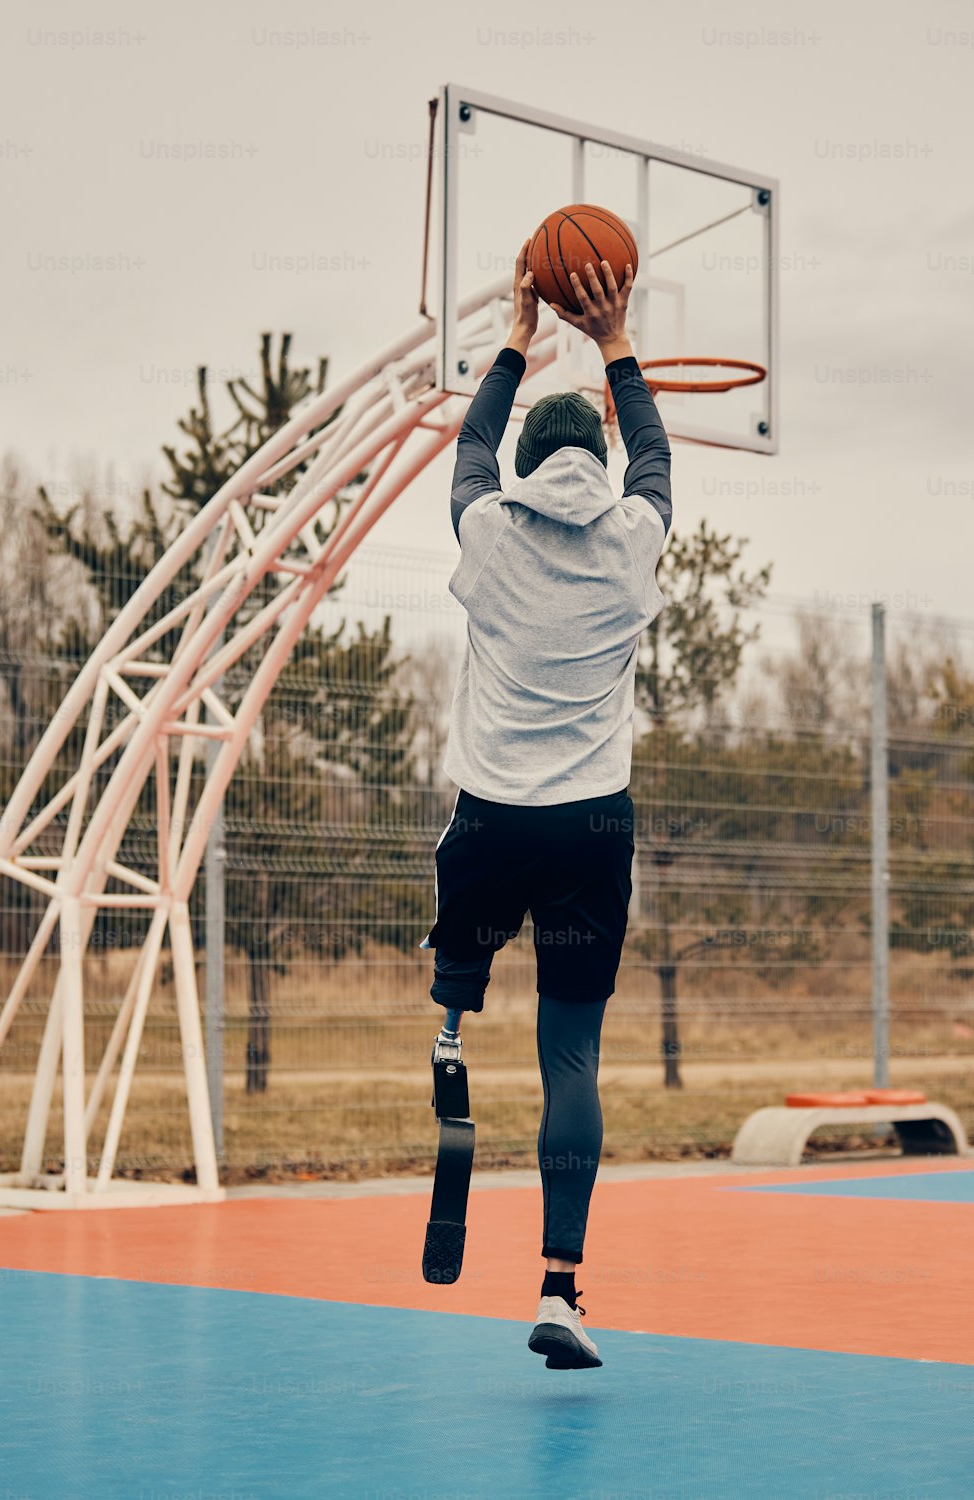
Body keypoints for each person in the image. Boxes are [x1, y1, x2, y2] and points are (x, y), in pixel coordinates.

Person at [420, 241, 672, 1369]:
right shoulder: (631, 545)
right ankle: (560, 1289)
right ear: (600, 465)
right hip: (588, 828)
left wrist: (520, 335)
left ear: (526, 466)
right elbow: (656, 458)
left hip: (488, 825)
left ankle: (450, 1023)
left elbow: (471, 446)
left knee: (463, 967)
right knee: (570, 1057)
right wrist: (615, 338)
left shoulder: (485, 531)